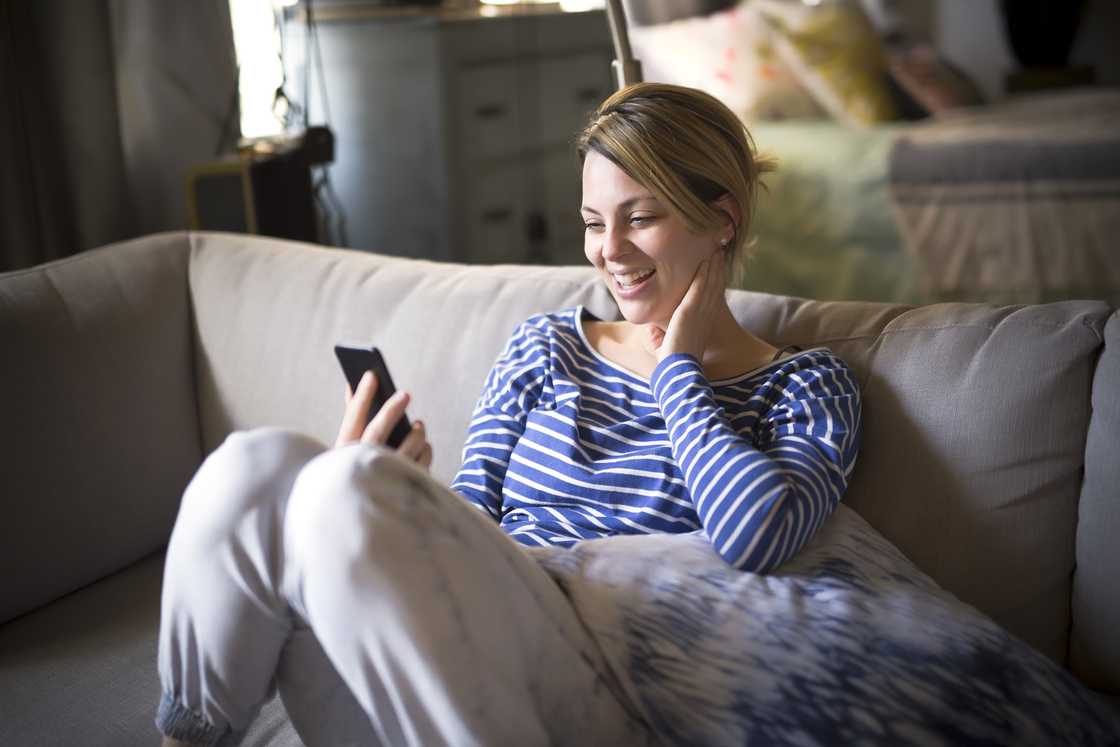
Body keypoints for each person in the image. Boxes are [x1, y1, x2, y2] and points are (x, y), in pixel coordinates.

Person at [155, 82, 862, 746]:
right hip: (447, 665)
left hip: (604, 689)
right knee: (260, 466)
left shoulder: (805, 386)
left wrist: (676, 372)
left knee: (336, 490)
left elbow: (757, 534)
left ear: (723, 220)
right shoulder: (546, 348)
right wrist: (390, 494)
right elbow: (475, 523)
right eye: (593, 223)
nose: (608, 251)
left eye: (640, 217)